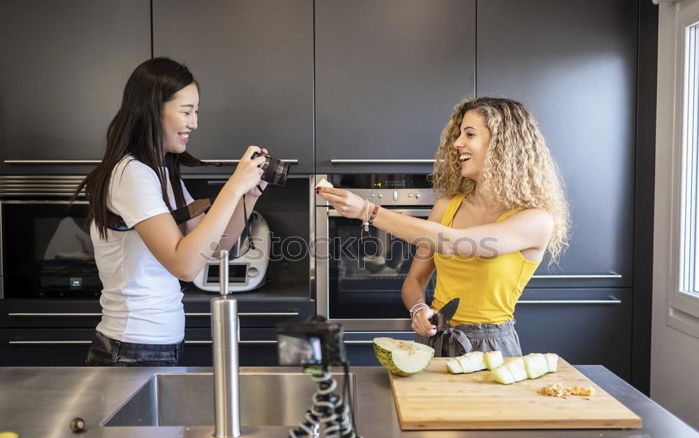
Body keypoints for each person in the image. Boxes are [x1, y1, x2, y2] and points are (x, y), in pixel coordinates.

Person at [317, 97, 569, 357]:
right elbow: (414, 281)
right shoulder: (447, 206)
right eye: (459, 134)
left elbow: (455, 242)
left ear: (503, 145)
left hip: (491, 348)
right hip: (435, 341)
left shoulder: (535, 220)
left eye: (469, 134)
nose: (458, 143)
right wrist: (418, 310)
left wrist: (367, 211)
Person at [74, 57, 269, 366]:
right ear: (153, 111)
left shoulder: (160, 174)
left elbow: (214, 247)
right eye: (187, 112)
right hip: (130, 348)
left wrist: (248, 197)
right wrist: (232, 186)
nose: (194, 123)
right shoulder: (132, 174)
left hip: (154, 345)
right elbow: (185, 265)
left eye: (196, 112)